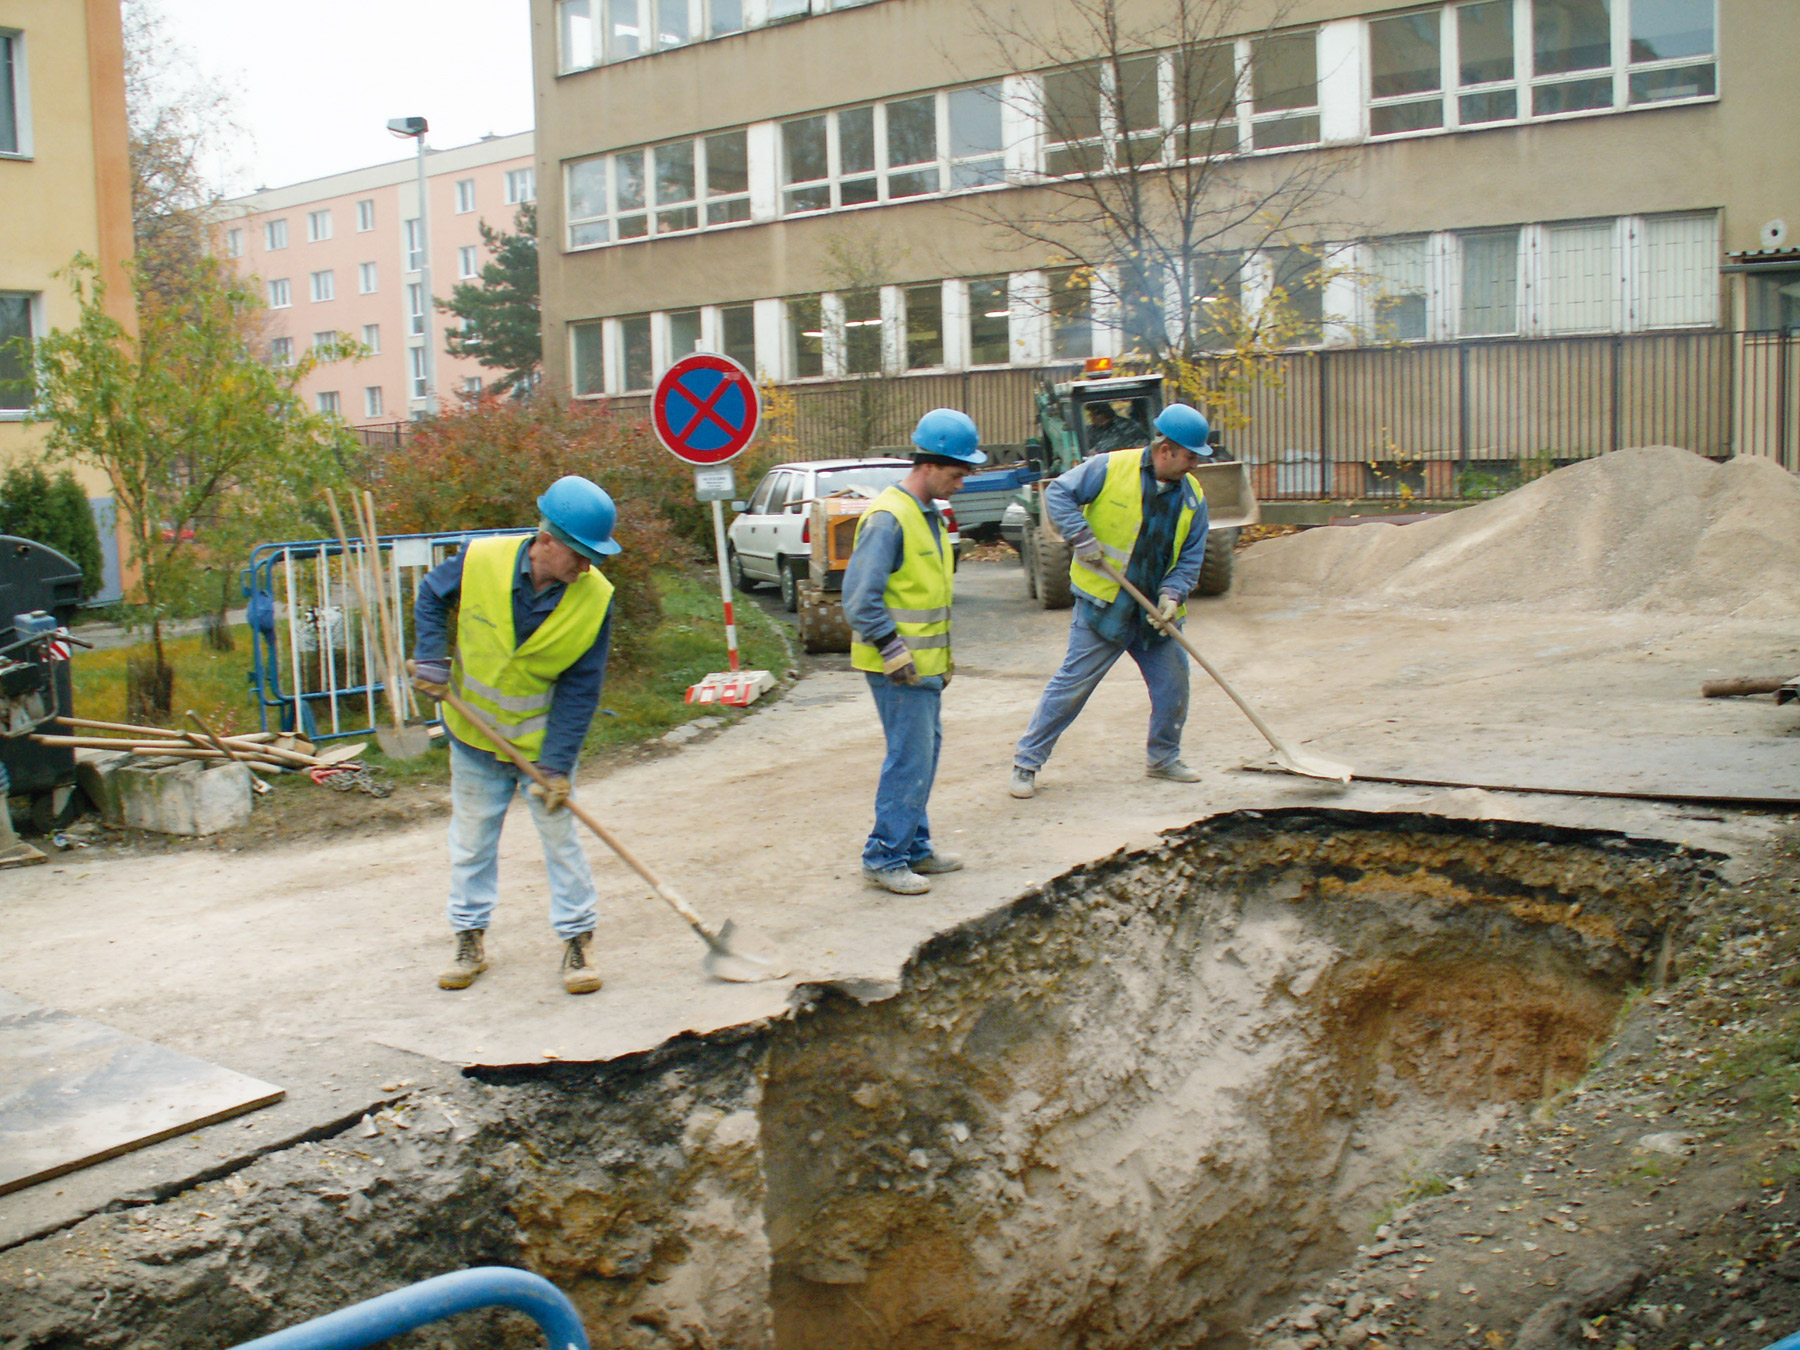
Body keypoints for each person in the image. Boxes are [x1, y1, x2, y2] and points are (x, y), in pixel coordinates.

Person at [409, 475, 620, 995]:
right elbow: (431, 596)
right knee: (472, 842)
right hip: (473, 737)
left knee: (561, 842)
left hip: (540, 745)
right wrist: (433, 659)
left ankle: (576, 942)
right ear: (547, 541)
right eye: (580, 554)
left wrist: (556, 765)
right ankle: (469, 938)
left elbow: (580, 689)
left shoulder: (594, 599)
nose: (587, 566)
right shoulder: (482, 560)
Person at [1010, 404, 1213, 799]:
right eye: (1190, 456)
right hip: (1105, 606)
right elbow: (1059, 494)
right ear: (1166, 449)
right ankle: (1026, 762)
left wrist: (1173, 594)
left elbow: (1191, 555)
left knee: (1174, 687)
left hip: (1155, 614)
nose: (1195, 465)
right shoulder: (1109, 467)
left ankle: (1164, 758)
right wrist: (1081, 536)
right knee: (1071, 688)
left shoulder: (1193, 496)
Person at [842, 408, 986, 895]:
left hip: (922, 665)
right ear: (929, 463)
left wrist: (941, 660)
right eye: (958, 472)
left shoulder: (928, 515)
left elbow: (927, 594)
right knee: (909, 759)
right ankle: (883, 857)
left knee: (922, 757)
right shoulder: (889, 518)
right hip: (896, 667)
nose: (963, 483)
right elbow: (860, 598)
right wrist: (892, 649)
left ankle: (915, 848)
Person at [1084, 401, 1152, 456]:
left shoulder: (1128, 427)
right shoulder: (1090, 430)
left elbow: (1144, 445)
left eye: (1093, 416)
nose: (1092, 420)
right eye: (1090, 415)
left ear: (1103, 415)